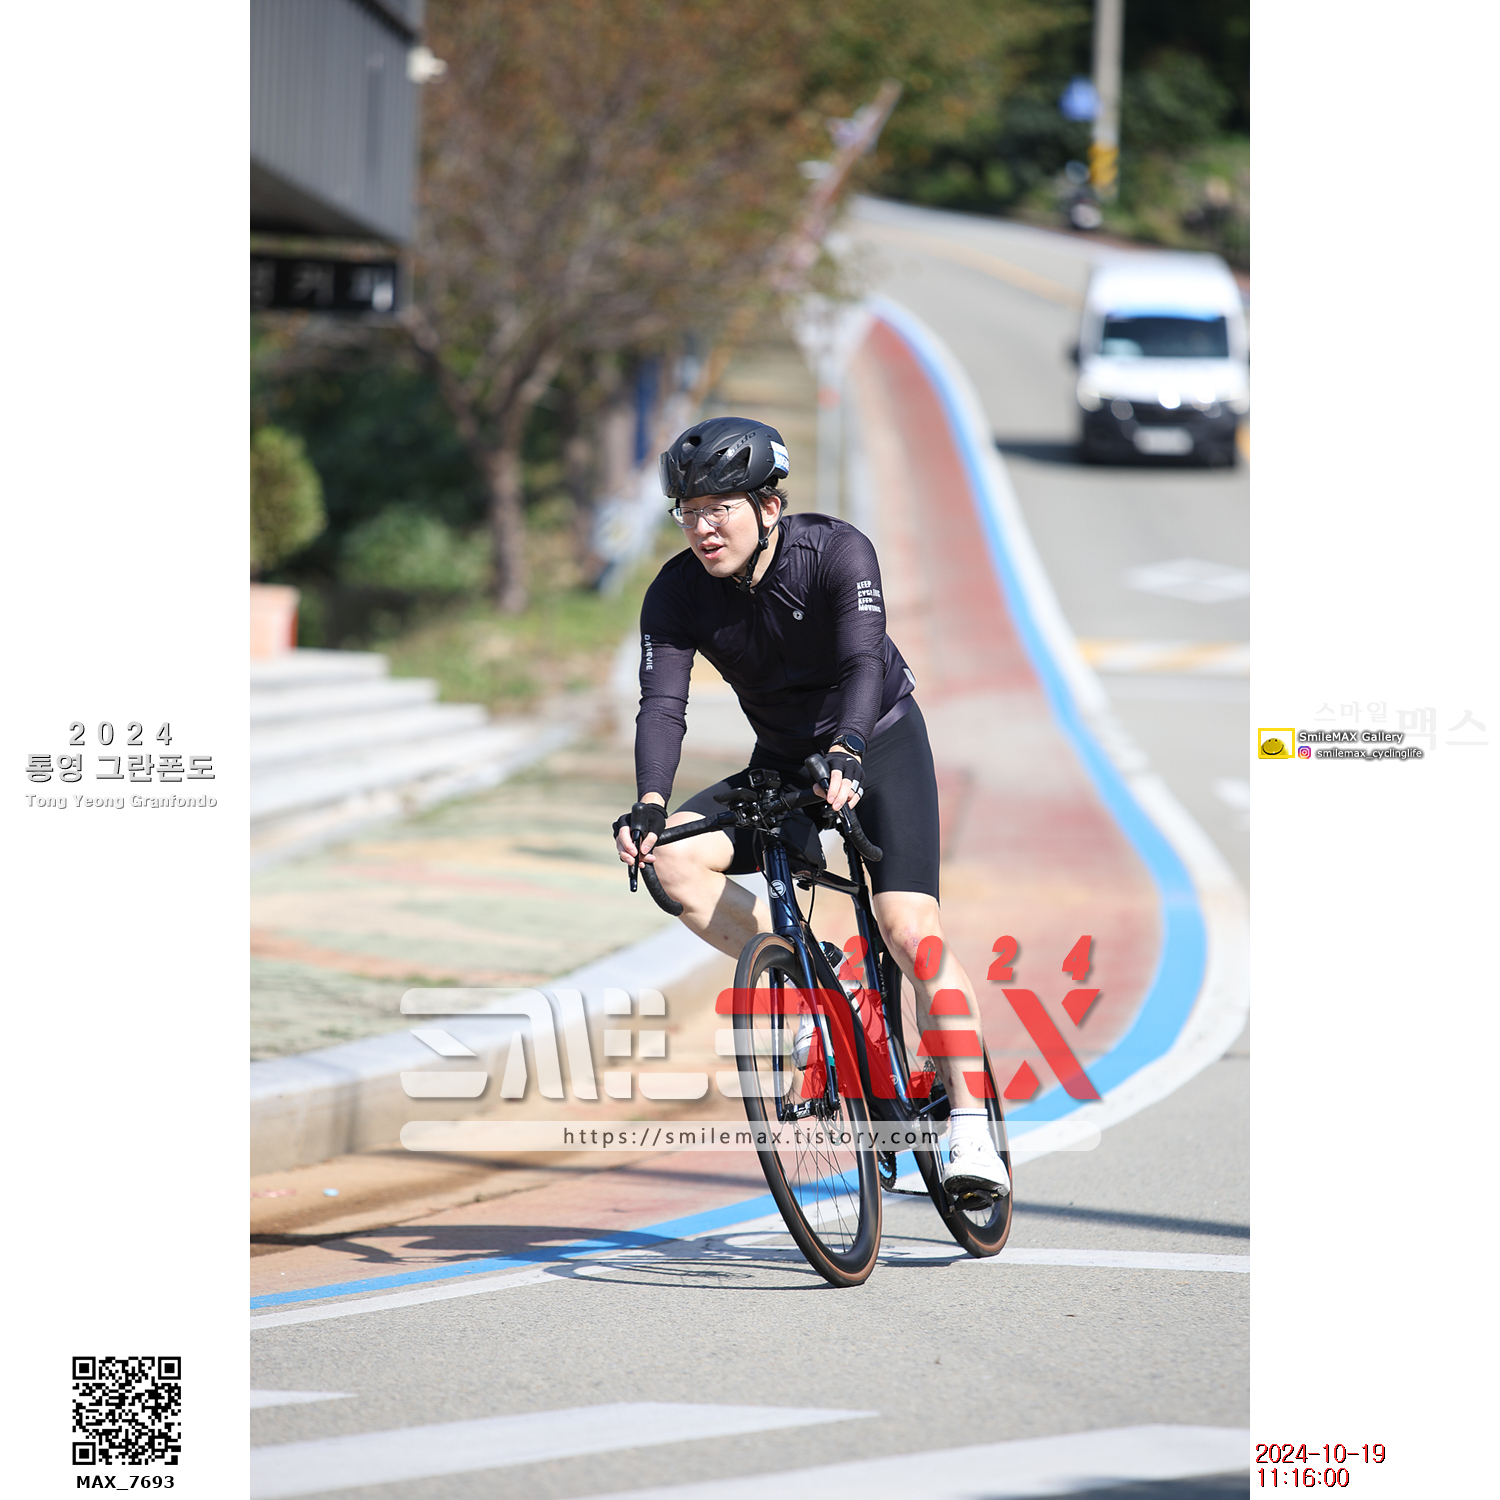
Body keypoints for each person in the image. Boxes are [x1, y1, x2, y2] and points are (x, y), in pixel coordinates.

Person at [613, 416, 1009, 1196]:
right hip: (784, 760)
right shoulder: (676, 593)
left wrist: (850, 747)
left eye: (719, 509)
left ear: (769, 506)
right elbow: (662, 704)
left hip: (878, 742)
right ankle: (817, 978)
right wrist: (650, 804)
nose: (701, 528)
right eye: (688, 512)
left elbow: (863, 659)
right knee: (672, 862)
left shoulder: (835, 552)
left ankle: (970, 1131)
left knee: (909, 931)